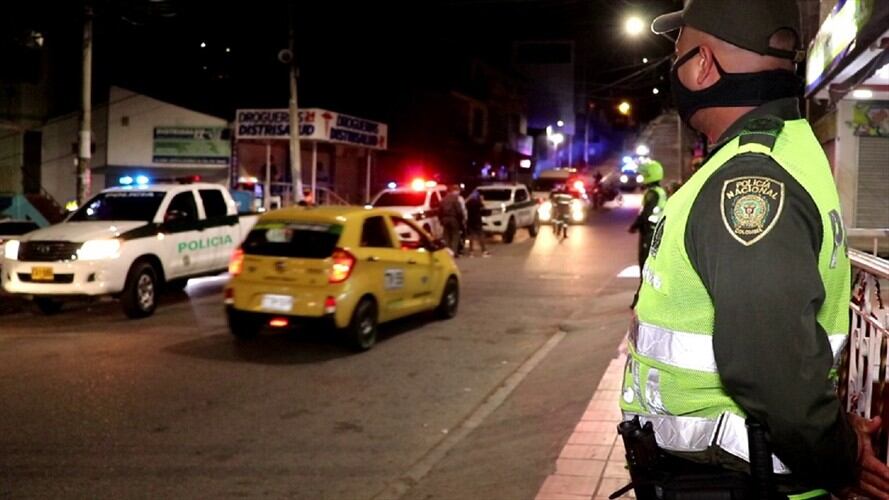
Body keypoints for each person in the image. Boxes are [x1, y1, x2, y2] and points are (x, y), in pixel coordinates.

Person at [618, 1, 889, 498]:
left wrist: (842, 457)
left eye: (678, 53)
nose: (674, 67)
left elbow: (772, 372)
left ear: (701, 65)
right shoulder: (782, 149)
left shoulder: (749, 181)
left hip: (733, 484)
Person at [628, 160, 667, 272]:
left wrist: (634, 226)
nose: (642, 177)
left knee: (645, 263)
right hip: (655, 230)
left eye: (644, 175)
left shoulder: (652, 193)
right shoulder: (659, 191)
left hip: (650, 231)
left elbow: (646, 213)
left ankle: (644, 288)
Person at [439, 184, 466, 256]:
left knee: (446, 236)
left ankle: (446, 252)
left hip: (445, 219)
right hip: (454, 219)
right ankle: (454, 252)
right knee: (455, 236)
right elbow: (459, 211)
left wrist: (441, 220)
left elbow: (439, 211)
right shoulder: (455, 199)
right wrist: (461, 220)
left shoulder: (443, 199)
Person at [464, 190, 489, 257]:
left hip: (470, 221)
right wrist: (482, 200)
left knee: (471, 237)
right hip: (477, 221)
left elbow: (464, 204)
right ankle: (484, 251)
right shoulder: (478, 202)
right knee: (480, 235)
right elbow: (485, 209)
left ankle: (471, 252)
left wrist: (468, 198)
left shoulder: (468, 203)